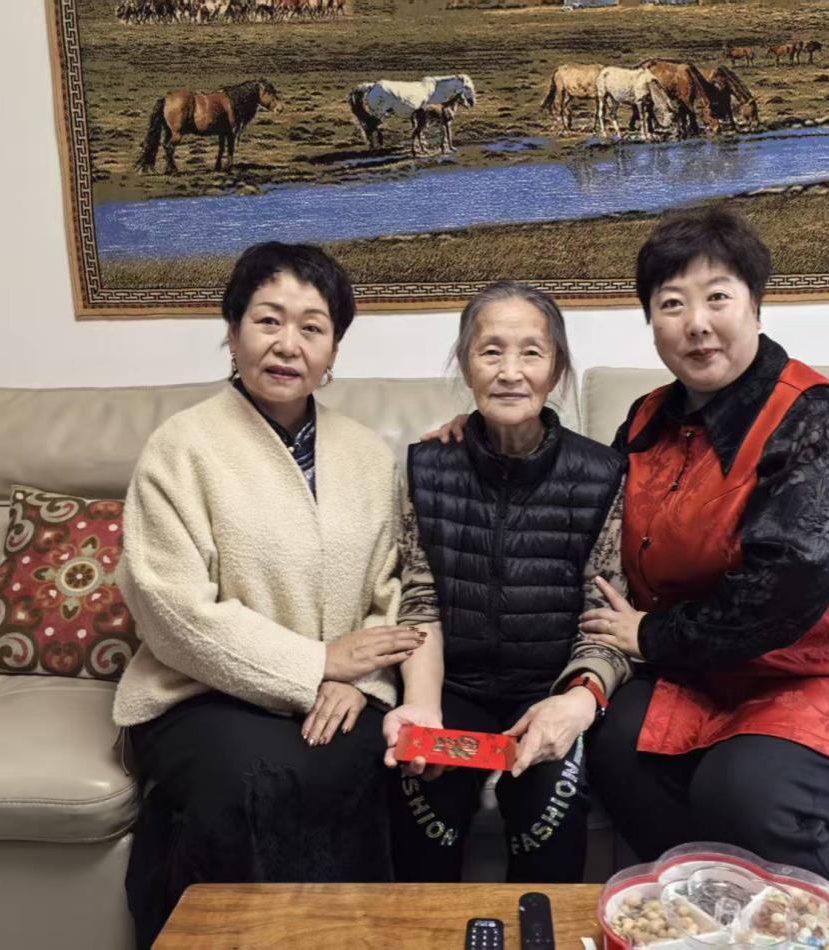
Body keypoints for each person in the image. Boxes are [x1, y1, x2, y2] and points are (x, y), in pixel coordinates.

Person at [578, 206, 829, 883]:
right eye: (671, 304)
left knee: (743, 794)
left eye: (717, 297)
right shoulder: (648, 417)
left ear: (755, 306)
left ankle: (809, 923)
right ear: (651, 321)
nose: (696, 323)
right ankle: (695, 912)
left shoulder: (812, 415)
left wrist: (653, 636)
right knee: (615, 752)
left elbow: (793, 577)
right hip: (704, 670)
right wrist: (483, 434)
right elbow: (580, 504)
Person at [114, 242, 420, 948]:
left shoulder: (368, 454)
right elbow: (169, 606)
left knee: (358, 764)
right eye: (268, 320)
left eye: (312, 328)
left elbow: (394, 590)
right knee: (250, 779)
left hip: (340, 692)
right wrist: (316, 664)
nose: (288, 345)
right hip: (202, 694)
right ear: (233, 332)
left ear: (333, 351)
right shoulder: (180, 447)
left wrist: (360, 680)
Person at [384, 281, 633, 883]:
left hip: (548, 687)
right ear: (465, 362)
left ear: (557, 368)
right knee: (422, 795)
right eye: (491, 351)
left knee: (550, 804)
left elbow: (605, 619)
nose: (511, 372)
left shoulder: (603, 474)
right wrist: (422, 705)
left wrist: (575, 701)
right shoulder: (425, 466)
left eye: (531, 353)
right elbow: (418, 597)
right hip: (453, 686)